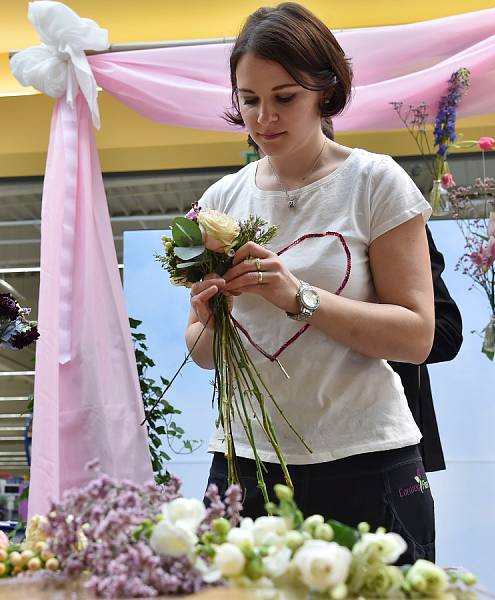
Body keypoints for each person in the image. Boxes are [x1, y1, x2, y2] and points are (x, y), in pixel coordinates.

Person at [190, 3, 436, 563]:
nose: (262, 118)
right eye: (248, 99)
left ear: (325, 92)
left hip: (365, 456)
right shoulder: (220, 201)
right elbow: (204, 354)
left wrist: (296, 296)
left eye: (284, 97)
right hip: (242, 463)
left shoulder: (375, 182)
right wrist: (207, 315)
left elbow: (418, 336)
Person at [248, 119, 464, 474]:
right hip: (267, 443)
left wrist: (333, 316)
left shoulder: (381, 207)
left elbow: (442, 334)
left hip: (373, 440)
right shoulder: (241, 211)